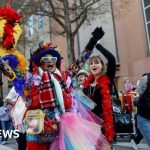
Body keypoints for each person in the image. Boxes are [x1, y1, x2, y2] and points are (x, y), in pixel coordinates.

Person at [83, 30, 116, 144]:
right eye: (91, 63)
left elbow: (111, 59)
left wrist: (98, 45)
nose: (93, 65)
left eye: (96, 62)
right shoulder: (86, 84)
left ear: (102, 66)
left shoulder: (108, 79)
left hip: (103, 123)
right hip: (89, 123)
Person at [134, 74, 150, 148]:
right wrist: (136, 98)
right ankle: (135, 141)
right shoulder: (145, 79)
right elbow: (137, 94)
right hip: (145, 118)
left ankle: (135, 140)